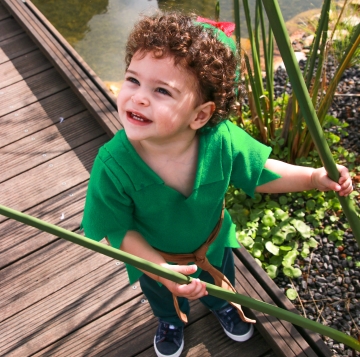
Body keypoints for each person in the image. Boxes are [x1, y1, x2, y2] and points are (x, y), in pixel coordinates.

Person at [81, 12, 353, 357]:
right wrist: (161, 270)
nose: (138, 97)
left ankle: (222, 304)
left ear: (200, 115)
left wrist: (314, 177)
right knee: (163, 295)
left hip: (212, 244)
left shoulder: (220, 140)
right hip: (155, 258)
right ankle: (171, 322)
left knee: (218, 282)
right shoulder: (112, 164)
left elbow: (259, 171)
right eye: (133, 80)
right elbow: (118, 229)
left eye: (161, 90)